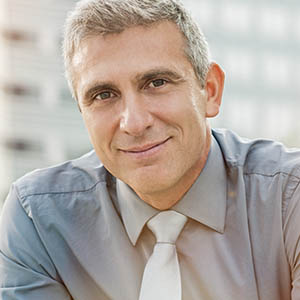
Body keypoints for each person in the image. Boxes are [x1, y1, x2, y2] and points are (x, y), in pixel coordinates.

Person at [0, 0, 299, 299]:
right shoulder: (38, 220)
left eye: (157, 83)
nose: (134, 122)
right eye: (104, 95)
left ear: (210, 90)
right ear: (82, 111)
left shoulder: (289, 199)